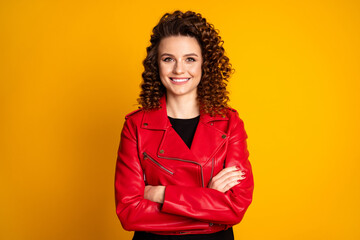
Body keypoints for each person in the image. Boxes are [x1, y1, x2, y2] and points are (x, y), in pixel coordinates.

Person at [114, 10, 254, 240]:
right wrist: (208, 199)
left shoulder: (230, 123)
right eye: (168, 59)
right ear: (156, 65)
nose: (179, 69)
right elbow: (130, 213)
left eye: (190, 59)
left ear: (204, 65)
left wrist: (161, 194)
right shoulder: (136, 126)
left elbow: (235, 207)